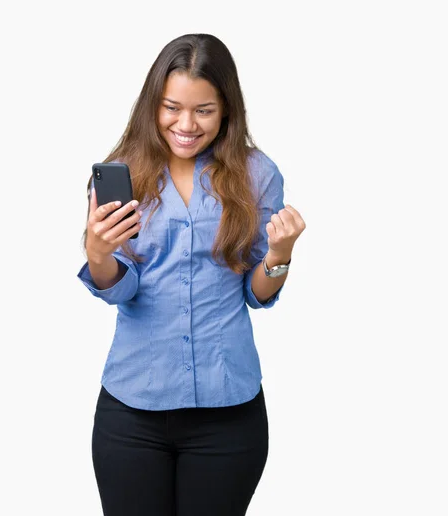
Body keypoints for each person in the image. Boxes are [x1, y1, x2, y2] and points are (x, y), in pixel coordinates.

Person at [77, 33, 306, 516]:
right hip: (132, 409)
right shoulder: (122, 172)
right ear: (152, 105)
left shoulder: (257, 174)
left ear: (226, 109)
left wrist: (279, 253)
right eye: (171, 107)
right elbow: (123, 288)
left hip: (228, 413)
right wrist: (98, 253)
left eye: (203, 109)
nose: (185, 124)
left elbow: (255, 292)